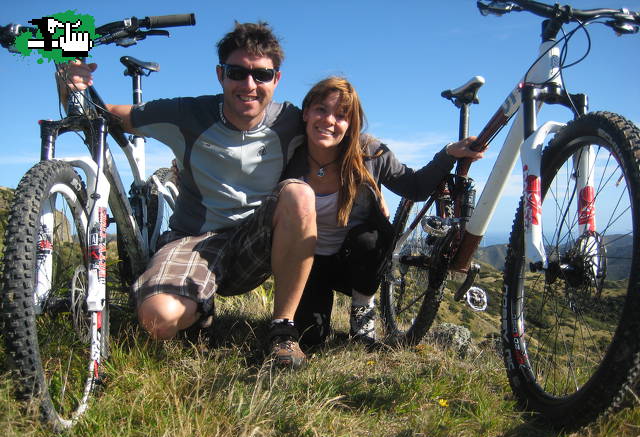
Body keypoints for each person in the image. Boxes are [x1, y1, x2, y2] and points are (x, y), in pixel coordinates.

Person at [58, 21, 315, 369]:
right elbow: (104, 117)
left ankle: (282, 331)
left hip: (257, 242)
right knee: (156, 319)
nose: (249, 85)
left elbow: (344, 136)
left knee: (299, 195)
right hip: (196, 240)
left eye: (262, 75)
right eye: (237, 73)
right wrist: (73, 85)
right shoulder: (187, 114)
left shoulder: (291, 120)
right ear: (220, 74)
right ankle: (199, 310)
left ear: (277, 78)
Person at [283, 77, 483, 348]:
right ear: (306, 113)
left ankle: (362, 314)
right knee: (311, 340)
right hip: (306, 263)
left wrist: (447, 154)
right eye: (321, 110)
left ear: (351, 124)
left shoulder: (369, 151)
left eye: (342, 115)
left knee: (372, 236)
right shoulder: (288, 152)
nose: (329, 120)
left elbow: (414, 186)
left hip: (352, 263)